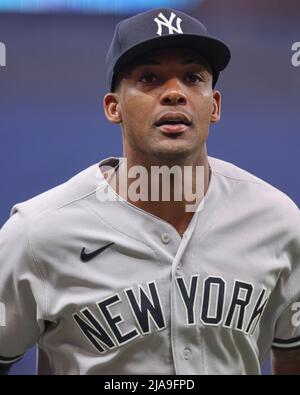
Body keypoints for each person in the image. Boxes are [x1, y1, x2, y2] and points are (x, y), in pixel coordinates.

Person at [0, 7, 299, 376]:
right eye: (149, 78)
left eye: (192, 77)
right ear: (114, 107)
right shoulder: (36, 234)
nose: (174, 93)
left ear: (215, 105)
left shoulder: (278, 222)